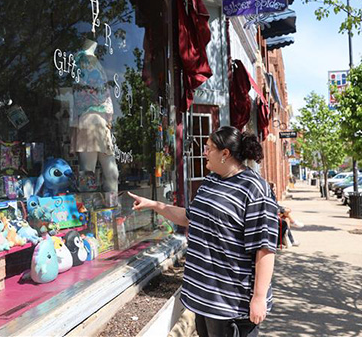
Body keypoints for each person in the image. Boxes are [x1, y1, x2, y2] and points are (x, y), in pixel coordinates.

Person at [129, 126, 278, 337]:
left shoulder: (254, 189)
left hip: (232, 302)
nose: (204, 152)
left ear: (225, 153)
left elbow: (264, 248)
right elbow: (189, 217)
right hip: (204, 297)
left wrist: (259, 297)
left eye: (209, 148)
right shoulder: (211, 181)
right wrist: (153, 204)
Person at [70, 38, 119, 192]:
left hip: (101, 122)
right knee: (88, 174)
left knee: (112, 173)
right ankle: (90, 210)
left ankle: (111, 206)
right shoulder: (83, 59)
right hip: (89, 118)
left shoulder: (91, 59)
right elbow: (80, 93)